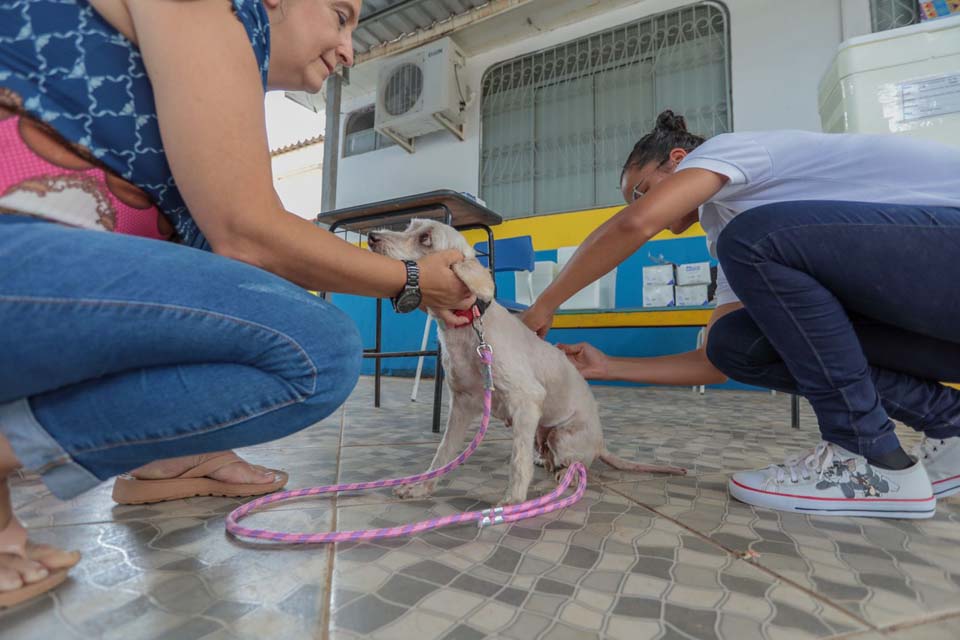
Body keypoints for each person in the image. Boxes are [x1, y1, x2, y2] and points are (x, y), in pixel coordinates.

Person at [0, 0, 475, 607]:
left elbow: (232, 275)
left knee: (264, 318)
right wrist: (411, 278)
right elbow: (250, 233)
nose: (349, 49)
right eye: (339, 15)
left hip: (33, 287)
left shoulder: (203, 87)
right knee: (318, 350)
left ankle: (170, 458)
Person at [522, 109, 960, 520]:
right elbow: (717, 361)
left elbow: (635, 224)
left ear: (678, 160)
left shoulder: (730, 153)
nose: (636, 206)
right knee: (736, 339)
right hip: (937, 319)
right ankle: (949, 422)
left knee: (752, 240)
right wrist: (607, 366)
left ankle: (868, 457)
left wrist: (544, 305)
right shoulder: (732, 230)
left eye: (639, 192)